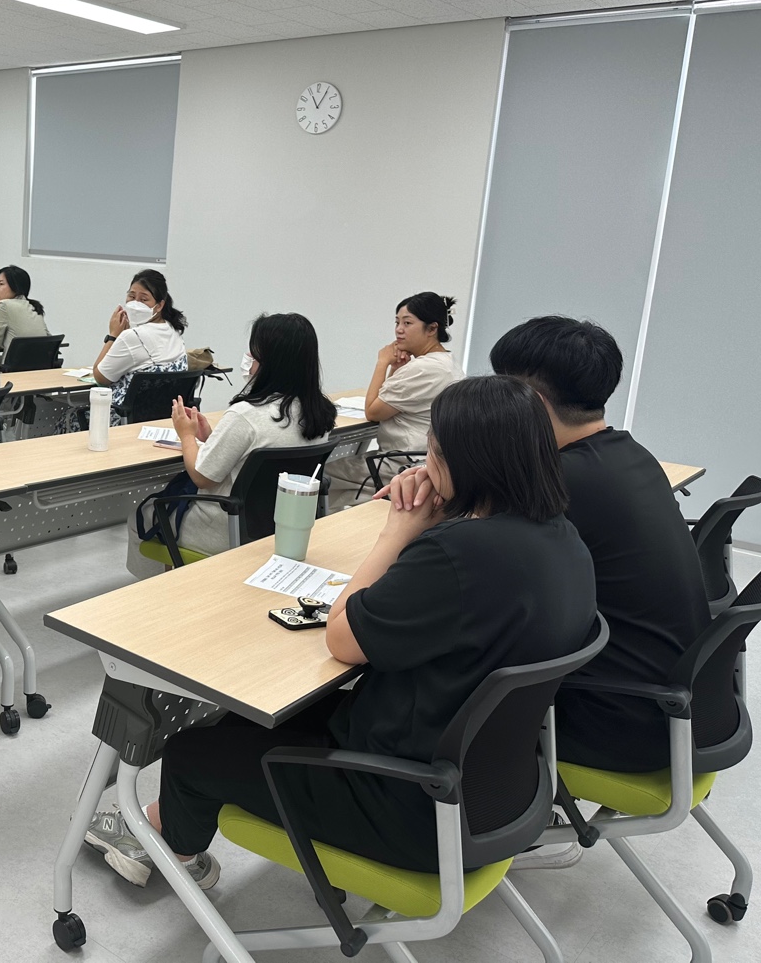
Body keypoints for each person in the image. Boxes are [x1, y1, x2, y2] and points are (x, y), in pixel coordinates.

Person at [86, 376, 597, 889]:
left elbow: (341, 637)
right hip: (497, 793)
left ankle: (174, 849)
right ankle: (163, 823)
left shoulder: (457, 554)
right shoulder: (565, 540)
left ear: (465, 462)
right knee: (270, 717)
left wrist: (398, 530)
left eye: (434, 454)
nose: (426, 465)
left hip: (409, 804)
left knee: (190, 753)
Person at [489, 318, 709, 770]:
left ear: (529, 401)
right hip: (675, 706)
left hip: (616, 721)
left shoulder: (563, 482)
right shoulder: (628, 455)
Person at [130, 314, 337, 576]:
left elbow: (202, 476)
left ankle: (150, 597)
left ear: (269, 362)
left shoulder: (246, 414)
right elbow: (261, 447)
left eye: (254, 355)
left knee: (143, 514)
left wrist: (186, 435)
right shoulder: (319, 413)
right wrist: (211, 437)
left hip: (226, 527)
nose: (249, 363)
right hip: (278, 527)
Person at [327, 291, 462, 505]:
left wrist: (383, 362)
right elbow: (390, 402)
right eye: (397, 322)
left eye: (408, 323)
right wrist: (397, 370)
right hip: (427, 462)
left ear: (432, 328)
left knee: (321, 474)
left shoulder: (423, 368)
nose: (399, 330)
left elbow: (373, 411)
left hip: (402, 464)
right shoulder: (446, 362)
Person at [91, 269, 187, 426]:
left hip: (119, 419)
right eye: (131, 296)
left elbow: (100, 377)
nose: (135, 304)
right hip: (160, 422)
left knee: (69, 416)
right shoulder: (173, 330)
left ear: (159, 305)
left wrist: (113, 336)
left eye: (144, 299)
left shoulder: (132, 337)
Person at [0, 265, 50, 355]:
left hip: (15, 367)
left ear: (16, 286)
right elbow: (48, 338)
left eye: (1, 284)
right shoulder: (33, 306)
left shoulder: (4, 305)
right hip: (42, 367)